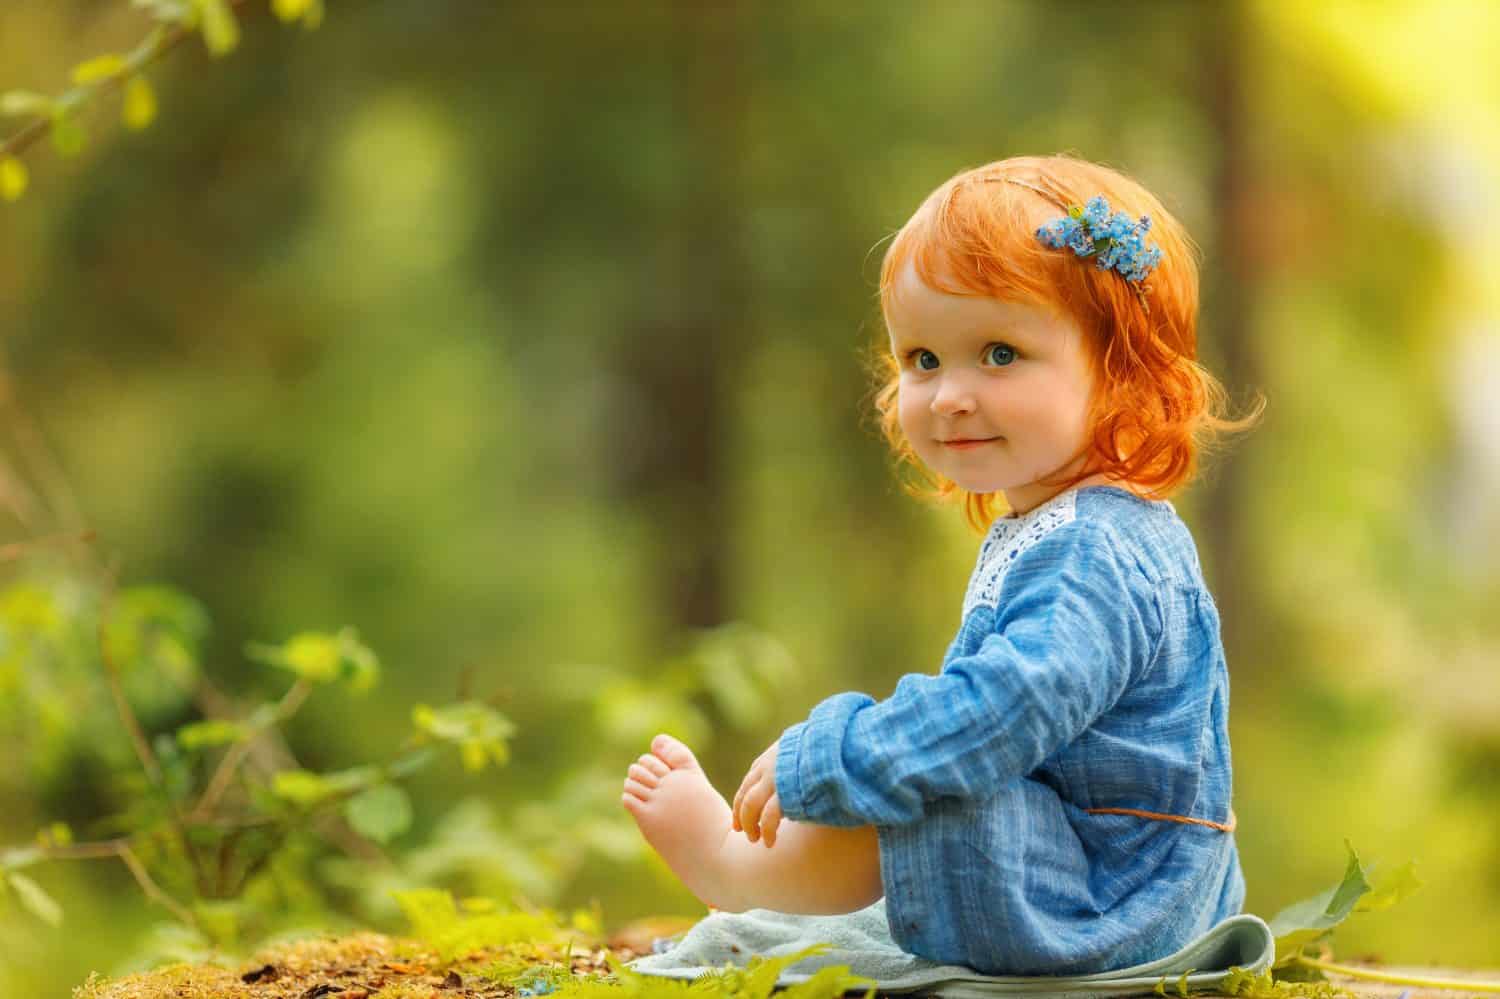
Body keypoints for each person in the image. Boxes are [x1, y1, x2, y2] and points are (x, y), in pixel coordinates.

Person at [620, 153, 1263, 976]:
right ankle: (765, 876)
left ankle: (738, 874)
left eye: (998, 353)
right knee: (911, 753)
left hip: (1113, 898)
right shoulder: (1065, 522)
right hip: (1106, 873)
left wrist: (833, 754)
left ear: (1120, 373)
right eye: (923, 359)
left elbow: (1000, 713)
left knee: (925, 769)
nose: (950, 392)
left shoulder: (1094, 551)